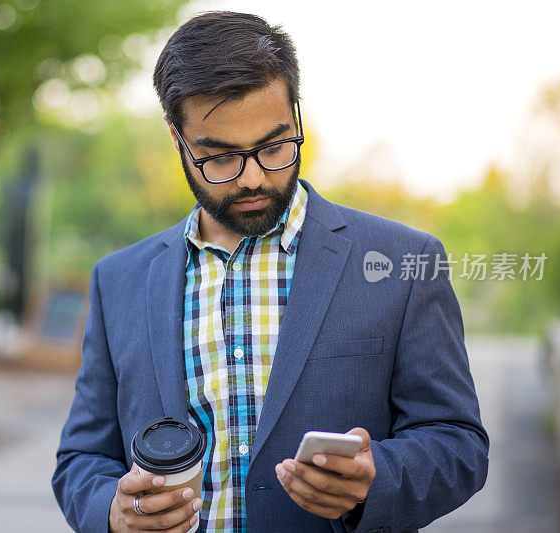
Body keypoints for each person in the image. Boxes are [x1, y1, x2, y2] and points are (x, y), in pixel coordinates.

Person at [53, 11, 488, 533]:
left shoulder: (404, 263)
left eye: (274, 146)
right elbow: (81, 458)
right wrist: (113, 512)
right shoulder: (116, 281)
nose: (255, 176)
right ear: (177, 138)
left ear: (296, 116)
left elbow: (458, 444)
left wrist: (377, 479)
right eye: (220, 157)